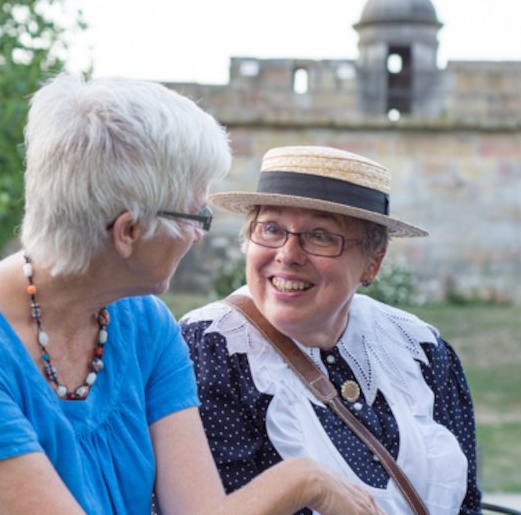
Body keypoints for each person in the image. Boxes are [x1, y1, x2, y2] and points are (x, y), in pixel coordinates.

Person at [0, 76, 387, 515]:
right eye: (196, 215)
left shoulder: (144, 324)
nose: (200, 235)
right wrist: (302, 480)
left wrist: (309, 477)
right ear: (129, 231)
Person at [180, 145, 482, 515]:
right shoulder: (214, 350)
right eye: (272, 229)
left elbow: (466, 503)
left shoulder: (420, 350)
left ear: (373, 261)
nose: (288, 254)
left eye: (321, 235)